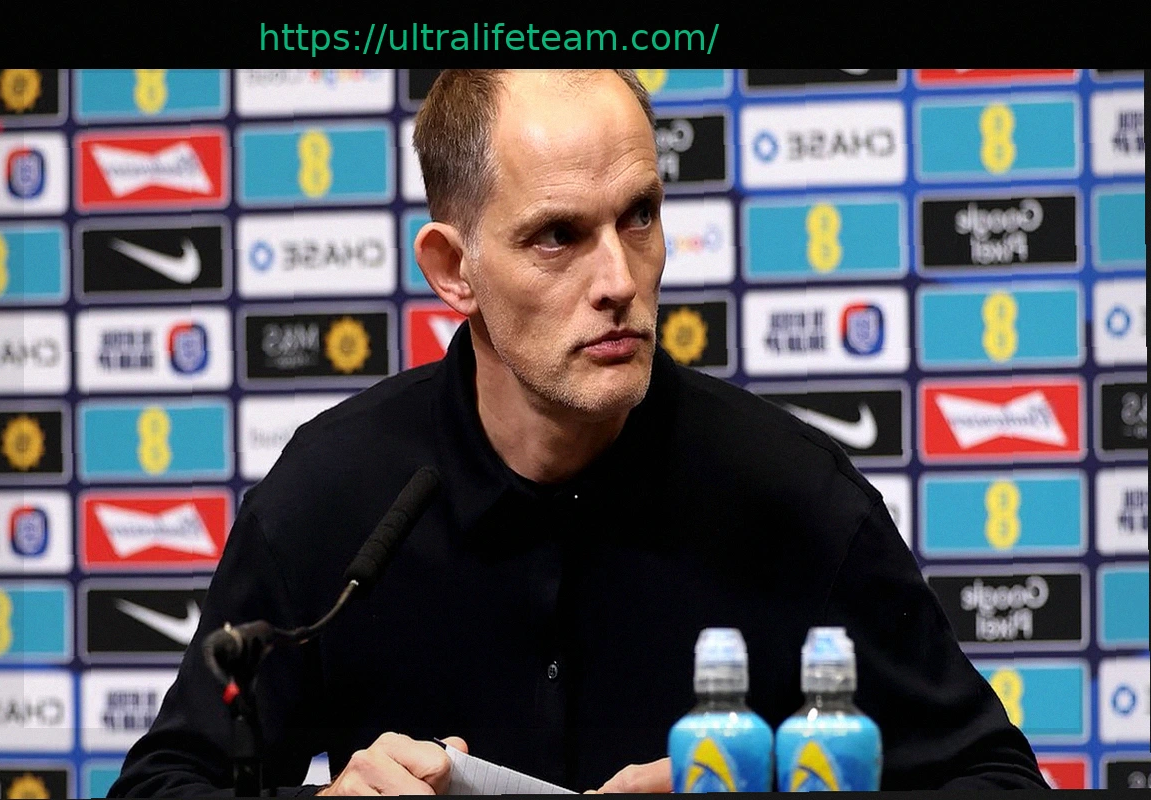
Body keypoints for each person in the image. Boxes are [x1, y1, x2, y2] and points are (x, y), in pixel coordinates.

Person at [109, 69, 1049, 796]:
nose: (619, 280)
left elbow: (997, 779)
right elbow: (165, 782)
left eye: (639, 217)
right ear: (453, 268)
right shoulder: (332, 495)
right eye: (557, 236)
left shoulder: (795, 498)